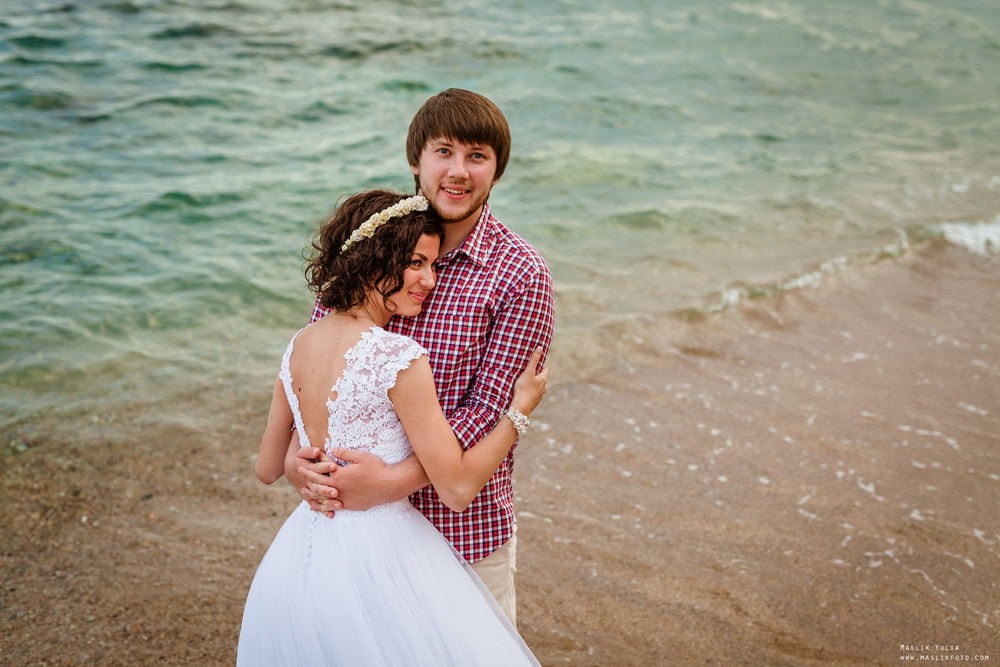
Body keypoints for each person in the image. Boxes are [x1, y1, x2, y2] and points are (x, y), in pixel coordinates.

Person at [237, 190, 547, 665]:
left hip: (302, 554)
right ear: (373, 261)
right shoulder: (397, 357)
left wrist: (312, 470)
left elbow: (267, 467)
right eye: (417, 264)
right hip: (382, 558)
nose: (430, 279)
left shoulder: (298, 344)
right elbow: (459, 487)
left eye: (434, 264)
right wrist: (518, 412)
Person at [284, 89, 555, 625]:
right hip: (354, 534)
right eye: (444, 151)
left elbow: (488, 410)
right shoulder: (363, 252)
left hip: (462, 532)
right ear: (416, 160)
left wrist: (390, 482)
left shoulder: (522, 274)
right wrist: (301, 462)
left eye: (477, 156)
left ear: (496, 171)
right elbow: (318, 368)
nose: (459, 171)